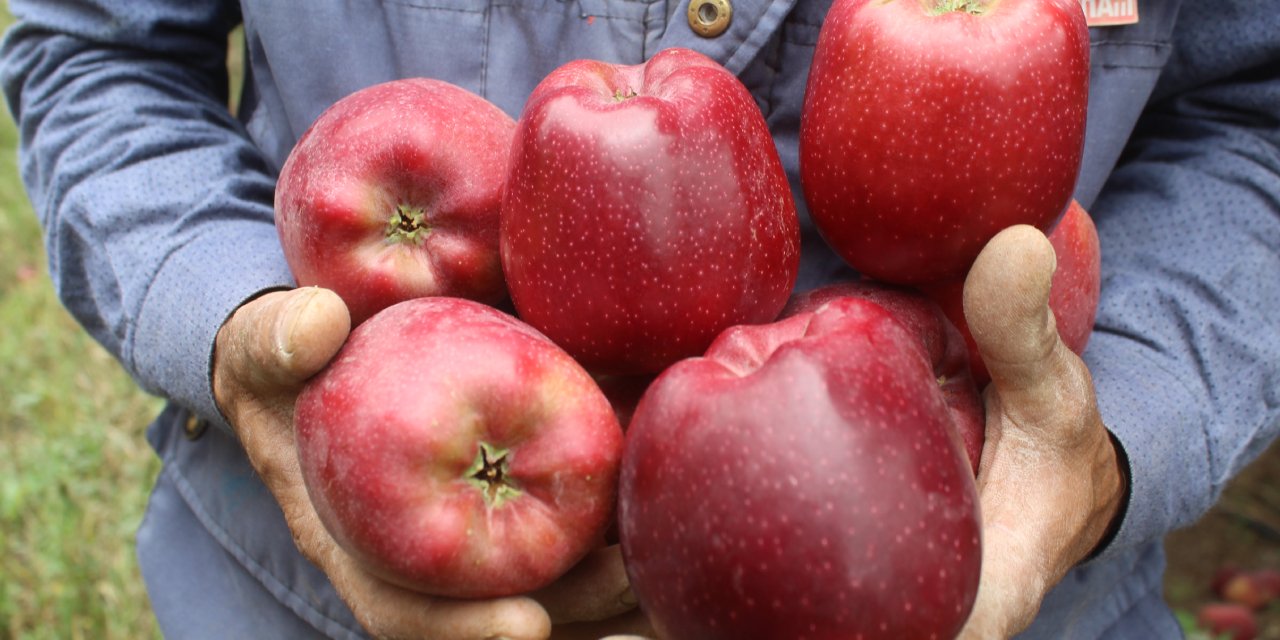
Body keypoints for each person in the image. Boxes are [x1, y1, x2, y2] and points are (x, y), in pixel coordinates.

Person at [2, 0, 1276, 638]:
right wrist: (239, 329)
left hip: (983, 583)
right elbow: (96, 49)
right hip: (306, 594)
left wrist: (1113, 442)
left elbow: (1256, 117)